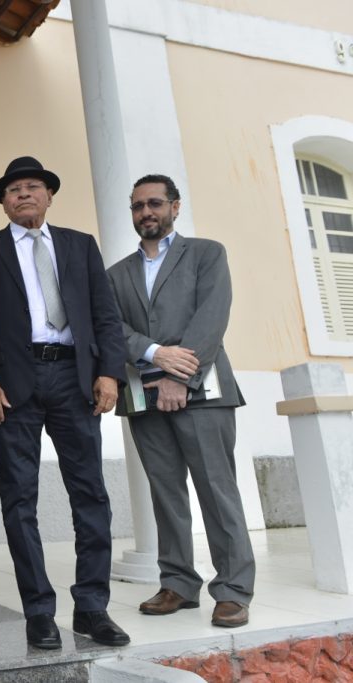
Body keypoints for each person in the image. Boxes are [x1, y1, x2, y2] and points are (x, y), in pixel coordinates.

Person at [0, 156, 130, 650]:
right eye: (13, 189)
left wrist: (109, 372)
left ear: (49, 195)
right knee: (19, 499)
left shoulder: (80, 246)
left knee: (90, 493)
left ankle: (92, 606)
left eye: (33, 186)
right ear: (3, 202)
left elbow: (106, 315)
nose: (23, 194)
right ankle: (38, 609)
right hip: (11, 386)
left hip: (74, 379)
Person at [106, 174, 255, 628]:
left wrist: (179, 377)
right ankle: (177, 583)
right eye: (137, 206)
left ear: (175, 206)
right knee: (165, 492)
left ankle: (233, 589)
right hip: (142, 394)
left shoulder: (207, 254)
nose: (146, 212)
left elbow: (211, 318)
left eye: (154, 203)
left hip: (204, 393)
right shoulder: (116, 274)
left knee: (216, 489)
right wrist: (155, 353)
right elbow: (112, 328)